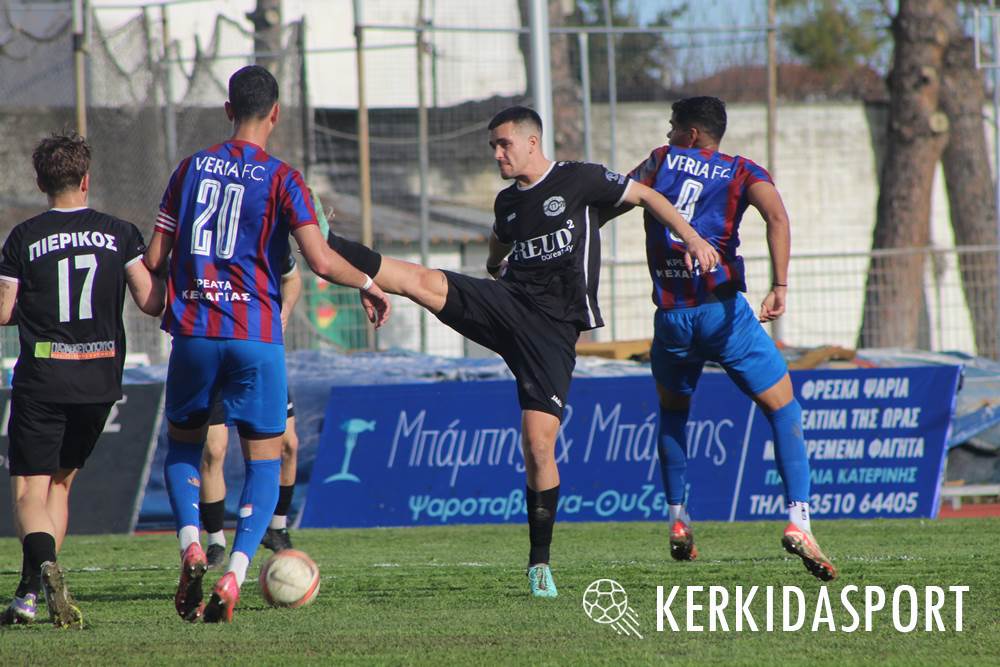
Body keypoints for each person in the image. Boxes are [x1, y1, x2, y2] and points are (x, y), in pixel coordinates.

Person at [363, 106, 719, 598]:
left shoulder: (580, 180)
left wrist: (693, 238)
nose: (497, 153)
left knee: (538, 446)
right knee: (424, 283)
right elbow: (500, 235)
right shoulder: (507, 202)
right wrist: (494, 266)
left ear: (532, 142)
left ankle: (539, 564)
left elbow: (647, 195)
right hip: (511, 305)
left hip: (554, 331)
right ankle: (335, 250)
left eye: (504, 143)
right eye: (493, 145)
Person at [144, 64, 390, 624]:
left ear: (228, 110)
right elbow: (320, 261)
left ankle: (191, 544)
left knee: (184, 448)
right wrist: (368, 283)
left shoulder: (189, 170)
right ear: (275, 114)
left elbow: (155, 258)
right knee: (264, 458)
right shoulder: (283, 178)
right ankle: (235, 571)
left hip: (194, 332)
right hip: (254, 335)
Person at [600, 96, 836, 581]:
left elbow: (610, 204)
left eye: (673, 127)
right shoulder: (742, 170)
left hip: (672, 318)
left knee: (673, 414)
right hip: (722, 313)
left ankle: (678, 518)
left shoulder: (659, 161)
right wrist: (780, 285)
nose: (668, 135)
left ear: (690, 134)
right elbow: (777, 217)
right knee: (784, 409)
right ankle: (799, 521)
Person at [0, 132, 164, 627]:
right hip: (99, 380)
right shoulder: (121, 233)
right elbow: (151, 302)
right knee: (60, 486)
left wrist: (32, 304)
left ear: (40, 183)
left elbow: (4, 311)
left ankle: (42, 572)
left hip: (44, 378)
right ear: (86, 179)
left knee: (29, 493)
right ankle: (29, 594)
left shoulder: (24, 238)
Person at [199, 253, 302, 568]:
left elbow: (292, 278)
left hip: (258, 353)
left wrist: (284, 312)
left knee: (288, 444)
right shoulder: (200, 242)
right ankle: (216, 541)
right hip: (214, 354)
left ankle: (277, 527)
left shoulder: (266, 240)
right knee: (214, 450)